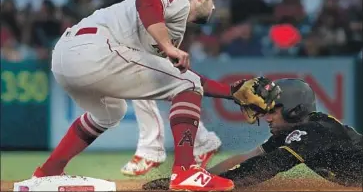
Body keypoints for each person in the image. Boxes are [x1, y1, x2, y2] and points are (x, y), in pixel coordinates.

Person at [32, 0, 280, 191]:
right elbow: (146, 0)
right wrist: (166, 47)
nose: (214, 7)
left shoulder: (169, 26)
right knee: (187, 84)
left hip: (65, 56)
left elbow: (177, 77)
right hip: (95, 49)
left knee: (110, 112)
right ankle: (185, 171)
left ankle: (48, 171)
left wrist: (230, 92)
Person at [74, 0, 223, 176]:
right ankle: (201, 142)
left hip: (159, 7)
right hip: (152, 7)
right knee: (159, 76)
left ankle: (153, 149)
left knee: (144, 72)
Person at [143, 78, 363, 190]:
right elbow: (248, 158)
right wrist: (194, 179)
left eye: (272, 111)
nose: (267, 118)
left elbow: (265, 167)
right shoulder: (294, 131)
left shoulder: (314, 131)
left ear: (295, 109)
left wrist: (205, 186)